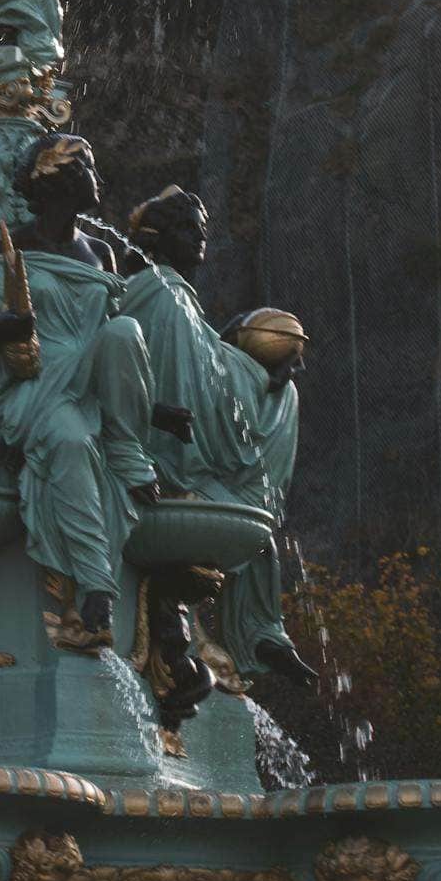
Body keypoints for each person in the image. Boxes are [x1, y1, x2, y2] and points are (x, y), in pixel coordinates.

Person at [0, 134, 164, 647]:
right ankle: (97, 591)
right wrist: (7, 327)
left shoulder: (102, 252)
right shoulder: (14, 246)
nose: (98, 179)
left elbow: (120, 345)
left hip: (95, 383)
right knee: (70, 442)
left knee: (124, 332)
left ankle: (125, 445)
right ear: (59, 181)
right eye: (89, 168)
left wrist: (155, 408)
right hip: (42, 386)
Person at [121, 187, 317, 688]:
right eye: (188, 227)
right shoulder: (158, 292)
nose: (200, 235)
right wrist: (258, 370)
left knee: (258, 535)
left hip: (189, 450)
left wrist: (260, 363)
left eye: (202, 227)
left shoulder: (177, 299)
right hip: (164, 453)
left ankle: (263, 634)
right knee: (240, 524)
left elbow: (207, 359)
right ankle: (253, 633)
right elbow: (189, 379)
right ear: (158, 237)